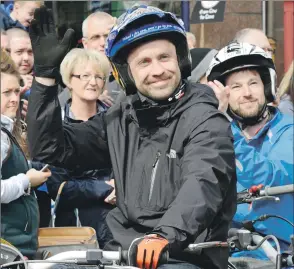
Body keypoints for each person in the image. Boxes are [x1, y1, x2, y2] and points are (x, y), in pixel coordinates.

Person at [27, 5, 236, 269]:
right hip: (123, 253)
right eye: (144, 62)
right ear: (126, 74)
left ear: (181, 61)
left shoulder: (205, 118)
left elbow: (203, 181)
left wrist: (164, 235)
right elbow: (49, 148)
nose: (158, 70)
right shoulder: (121, 118)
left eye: (164, 57)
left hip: (183, 254)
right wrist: (45, 80)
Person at [206, 42, 294, 260]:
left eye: (253, 83)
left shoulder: (288, 131)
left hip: (277, 253)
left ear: (266, 86)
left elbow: (273, 178)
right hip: (225, 249)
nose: (246, 93)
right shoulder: (212, 133)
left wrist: (225, 132)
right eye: (236, 87)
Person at [44, 48, 114, 247]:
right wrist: (104, 188)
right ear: (68, 80)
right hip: (74, 229)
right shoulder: (55, 125)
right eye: (85, 75)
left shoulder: (117, 120)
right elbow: (57, 187)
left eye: (99, 76)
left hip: (117, 222)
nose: (93, 82)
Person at [1, 49, 51, 257]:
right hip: (7, 248)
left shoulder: (5, 128)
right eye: (7, 92)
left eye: (16, 91)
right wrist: (27, 180)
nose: (15, 98)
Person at [58, 11, 120, 108]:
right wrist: (86, 100)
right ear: (85, 44)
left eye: (108, 36)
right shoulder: (76, 79)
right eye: (96, 37)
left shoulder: (130, 73)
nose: (103, 42)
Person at [6, 28, 34, 98]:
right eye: (19, 52)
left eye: (30, 52)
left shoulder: (42, 81)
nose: (26, 58)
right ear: (6, 53)